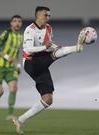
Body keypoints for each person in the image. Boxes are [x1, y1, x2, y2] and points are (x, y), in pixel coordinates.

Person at [11, 6, 86, 134]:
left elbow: (49, 45)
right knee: (55, 55)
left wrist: (55, 47)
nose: (48, 17)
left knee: (48, 99)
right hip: (31, 63)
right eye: (46, 15)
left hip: (42, 63)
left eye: (49, 15)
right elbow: (28, 49)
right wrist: (49, 49)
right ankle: (76, 48)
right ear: (38, 16)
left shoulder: (49, 28)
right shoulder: (30, 30)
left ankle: (19, 120)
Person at [0, 15, 23, 120]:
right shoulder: (6, 33)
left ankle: (10, 114)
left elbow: (17, 51)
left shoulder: (20, 36)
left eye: (19, 21)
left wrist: (18, 65)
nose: (17, 23)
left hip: (11, 68)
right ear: (11, 23)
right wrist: (6, 56)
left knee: (14, 88)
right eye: (15, 21)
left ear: (21, 24)